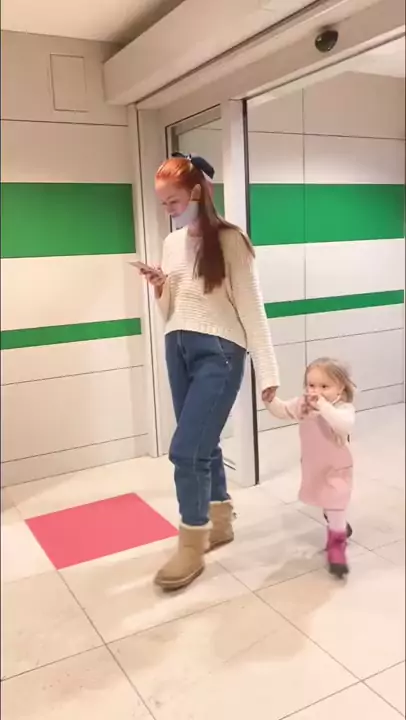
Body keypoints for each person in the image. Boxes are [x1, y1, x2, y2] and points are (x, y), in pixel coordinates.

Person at [138, 153, 279, 590]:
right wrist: (161, 287)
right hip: (177, 346)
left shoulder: (232, 240)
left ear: (198, 192)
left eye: (174, 201)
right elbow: (172, 310)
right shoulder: (171, 243)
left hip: (220, 351)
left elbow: (251, 308)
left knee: (186, 450)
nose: (169, 210)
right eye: (164, 204)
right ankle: (220, 521)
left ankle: (192, 542)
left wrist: (269, 372)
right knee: (203, 442)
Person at [266, 357, 356, 578]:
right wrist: (270, 400)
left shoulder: (343, 408)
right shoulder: (303, 405)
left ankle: (337, 546)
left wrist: (324, 406)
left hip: (337, 466)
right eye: (311, 385)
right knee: (326, 501)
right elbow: (283, 410)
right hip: (314, 465)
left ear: (340, 388)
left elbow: (343, 425)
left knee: (336, 499)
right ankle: (338, 524)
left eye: (325, 386)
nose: (316, 391)